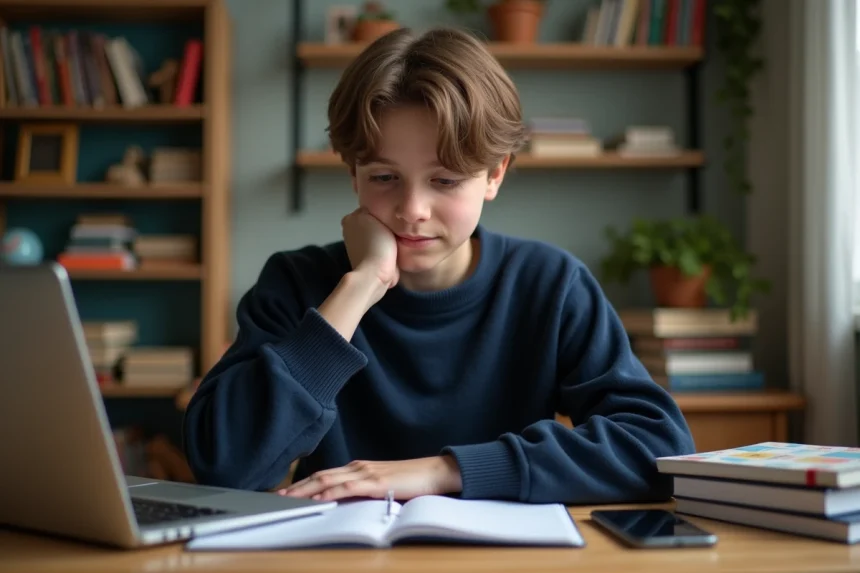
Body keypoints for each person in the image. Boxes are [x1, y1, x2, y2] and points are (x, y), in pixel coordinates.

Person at [182, 26, 696, 505]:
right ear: (353, 173)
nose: (412, 209)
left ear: (495, 175)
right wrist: (361, 286)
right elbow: (225, 467)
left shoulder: (550, 284)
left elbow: (657, 448)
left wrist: (441, 472)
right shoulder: (298, 283)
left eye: (445, 181)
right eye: (384, 177)